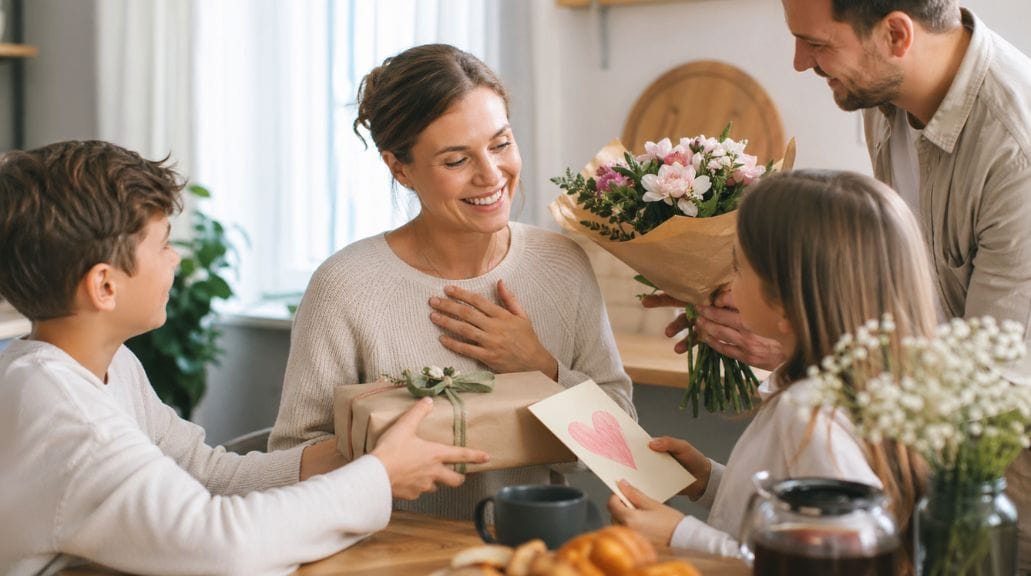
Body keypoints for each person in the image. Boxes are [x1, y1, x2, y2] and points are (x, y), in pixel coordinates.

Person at [652, 1, 1031, 566]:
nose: (800, 62)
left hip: (997, 480)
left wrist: (809, 343)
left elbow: (994, 381)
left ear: (897, 34)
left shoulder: (1014, 148)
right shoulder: (881, 94)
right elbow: (889, 284)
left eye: (819, 44)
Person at [0, 140, 488, 576]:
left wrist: (348, 453)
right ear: (105, 286)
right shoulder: (66, 414)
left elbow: (203, 472)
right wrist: (380, 476)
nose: (175, 259)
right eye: (164, 244)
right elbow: (222, 547)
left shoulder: (98, 366)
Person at [268, 43, 636, 520]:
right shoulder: (345, 286)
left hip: (528, 552)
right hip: (388, 558)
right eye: (456, 160)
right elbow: (293, 458)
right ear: (400, 168)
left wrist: (541, 368)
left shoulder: (563, 264)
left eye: (501, 144)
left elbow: (623, 449)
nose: (491, 175)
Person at [611, 170, 934, 575]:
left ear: (783, 303)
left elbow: (837, 562)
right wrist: (709, 481)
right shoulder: (866, 390)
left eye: (739, 267)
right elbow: (805, 515)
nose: (729, 283)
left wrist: (679, 535)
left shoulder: (808, 412)